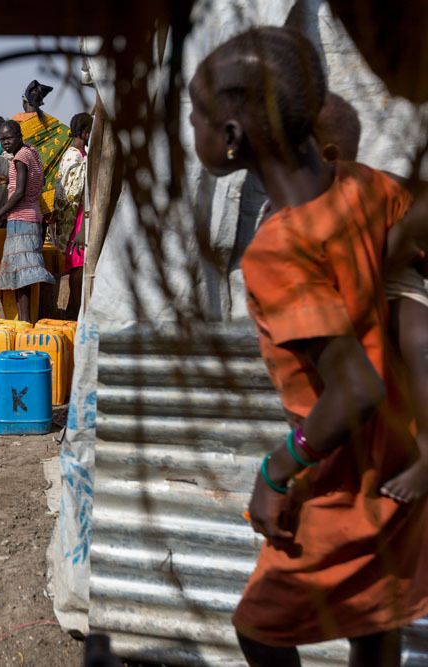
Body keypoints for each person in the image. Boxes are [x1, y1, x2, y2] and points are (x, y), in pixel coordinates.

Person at [189, 27, 428, 665]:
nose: (193, 127)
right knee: (374, 619)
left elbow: (354, 386)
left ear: (232, 136)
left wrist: (276, 470)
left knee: (262, 627)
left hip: (338, 473)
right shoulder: (368, 186)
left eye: (196, 116)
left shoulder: (279, 250)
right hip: (395, 459)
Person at [310, 93, 428, 503]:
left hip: (394, 281)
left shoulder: (377, 185)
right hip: (346, 297)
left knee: (419, 341)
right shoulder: (295, 200)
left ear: (327, 153)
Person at [0, 120, 54, 324]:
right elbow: (35, 182)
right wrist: (8, 180)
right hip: (32, 217)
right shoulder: (31, 152)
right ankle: (26, 320)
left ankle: (25, 322)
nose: (5, 143)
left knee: (21, 278)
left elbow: (20, 193)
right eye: (2, 139)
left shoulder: (20, 158)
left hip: (21, 219)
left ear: (19, 136)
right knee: (25, 276)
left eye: (9, 138)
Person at [10, 80, 71, 217]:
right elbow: (69, 136)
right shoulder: (52, 123)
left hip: (18, 184)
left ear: (24, 102)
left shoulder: (16, 122)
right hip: (44, 184)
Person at [53, 112, 93, 320]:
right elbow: (74, 193)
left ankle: (73, 309)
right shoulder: (76, 157)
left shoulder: (74, 154)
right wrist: (77, 230)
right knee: (77, 268)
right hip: (76, 218)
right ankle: (74, 311)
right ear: (86, 133)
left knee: (78, 266)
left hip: (76, 218)